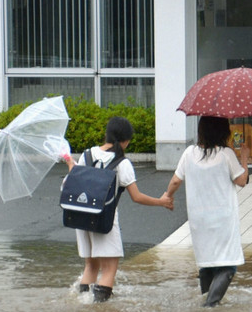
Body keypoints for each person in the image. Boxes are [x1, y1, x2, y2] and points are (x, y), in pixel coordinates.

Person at [63, 116, 173, 302]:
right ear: (126, 141)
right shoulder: (122, 163)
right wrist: (161, 201)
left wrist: (70, 165)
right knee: (109, 269)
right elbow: (136, 197)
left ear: (107, 134)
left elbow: (77, 180)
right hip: (104, 220)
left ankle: (84, 308)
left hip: (81, 219)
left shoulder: (87, 154)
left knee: (90, 266)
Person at [162, 116, 249, 307]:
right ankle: (210, 305)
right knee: (227, 264)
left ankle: (207, 302)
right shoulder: (226, 154)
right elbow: (241, 180)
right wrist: (244, 157)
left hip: (198, 219)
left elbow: (176, 180)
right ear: (223, 131)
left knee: (207, 262)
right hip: (223, 218)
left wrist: (168, 196)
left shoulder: (189, 153)